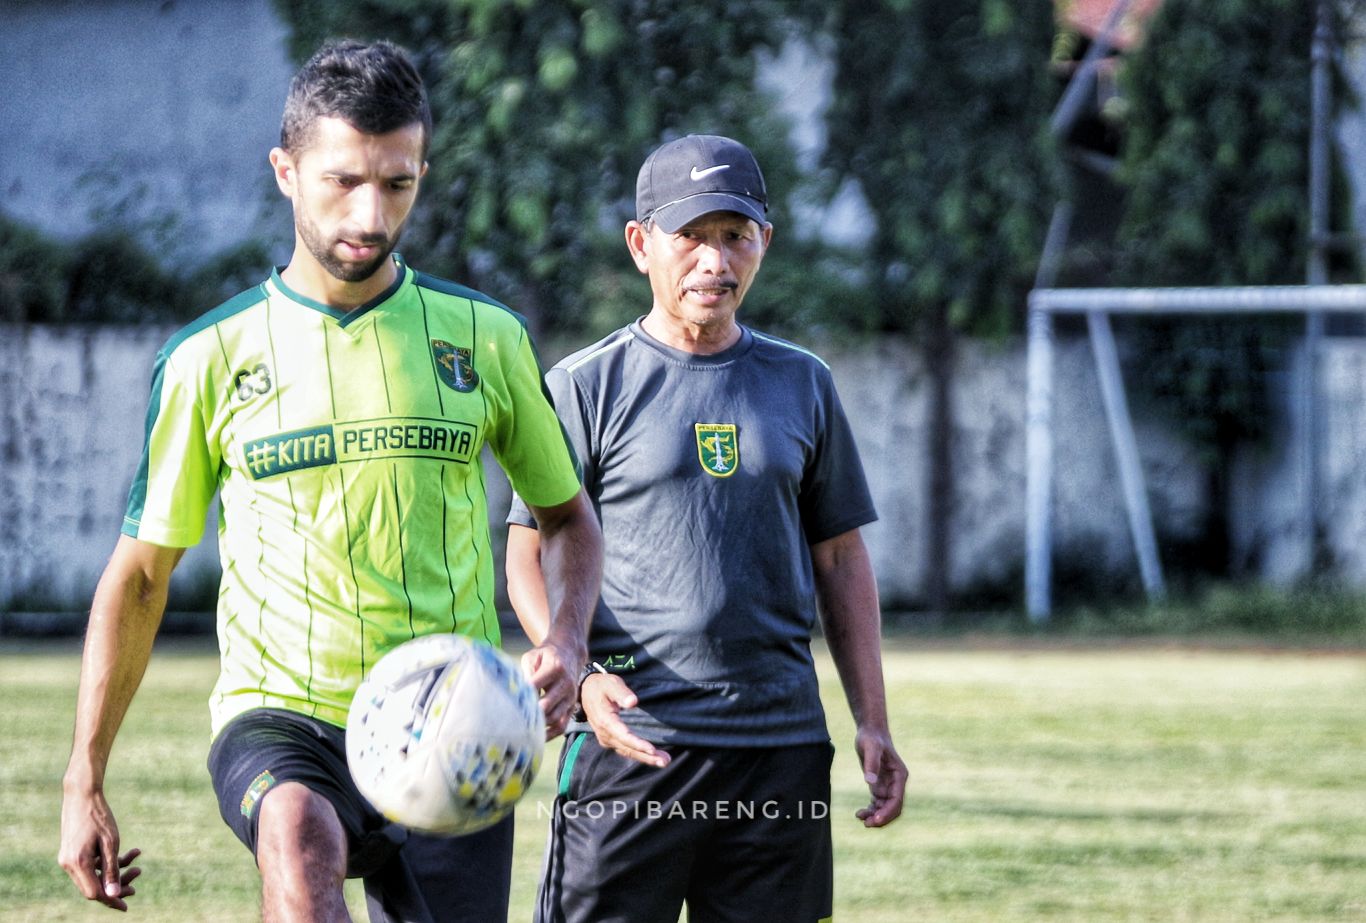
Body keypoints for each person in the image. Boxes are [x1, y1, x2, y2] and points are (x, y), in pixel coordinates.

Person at [58, 39, 602, 922]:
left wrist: (570, 643)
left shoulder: (487, 336)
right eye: (342, 181)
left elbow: (567, 518)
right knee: (297, 838)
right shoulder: (207, 357)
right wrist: (84, 776)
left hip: (455, 707)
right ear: (285, 169)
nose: (371, 213)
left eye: (398, 184)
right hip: (282, 716)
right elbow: (142, 575)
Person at [505, 134, 907, 923]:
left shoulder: (804, 383)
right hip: (631, 742)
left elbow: (841, 559)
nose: (714, 262)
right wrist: (577, 673)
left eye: (736, 235)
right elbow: (527, 549)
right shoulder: (586, 385)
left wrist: (872, 721)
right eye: (690, 235)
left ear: (765, 241)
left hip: (779, 746)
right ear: (640, 244)